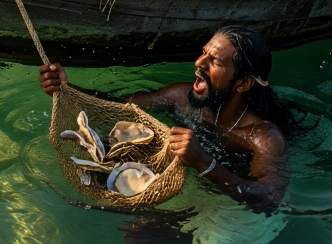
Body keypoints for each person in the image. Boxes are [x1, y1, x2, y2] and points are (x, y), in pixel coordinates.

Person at [39, 26, 301, 207]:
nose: (199, 63)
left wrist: (204, 163)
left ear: (242, 85)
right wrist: (66, 88)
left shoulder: (263, 138)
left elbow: (268, 197)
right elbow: (117, 105)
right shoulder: (180, 97)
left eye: (216, 62)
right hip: (184, 189)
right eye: (204, 52)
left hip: (229, 206)